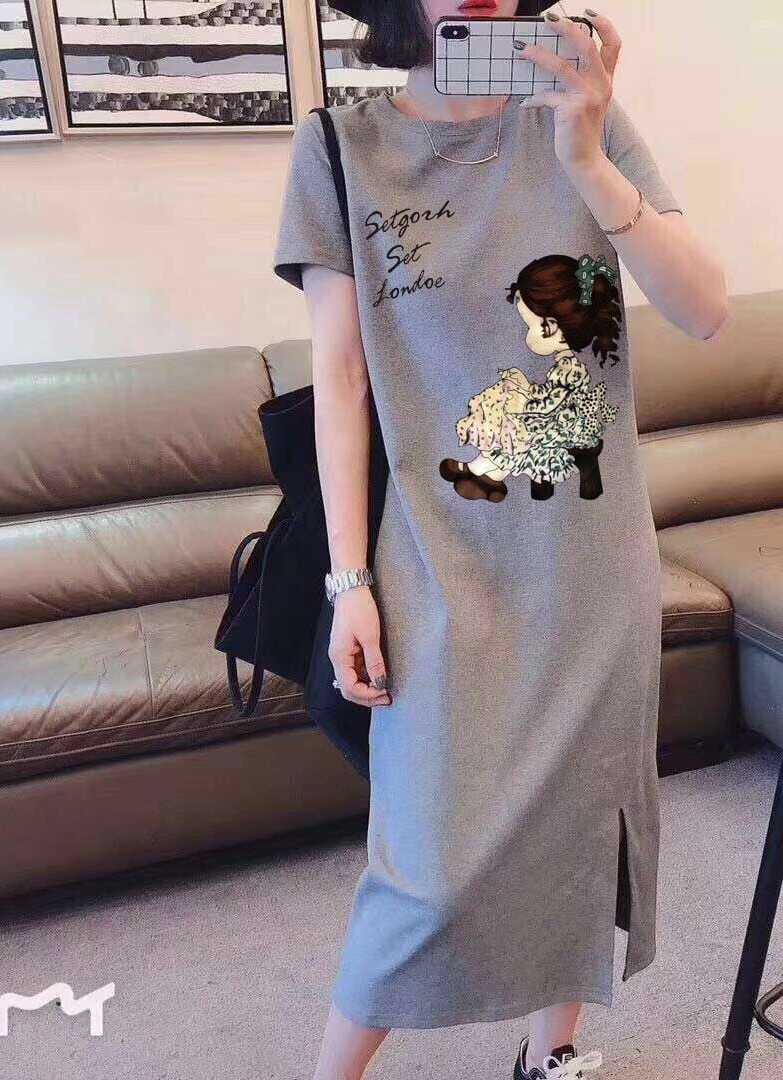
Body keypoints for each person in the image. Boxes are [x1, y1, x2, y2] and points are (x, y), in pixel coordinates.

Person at [271, 3, 728, 1077]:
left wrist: (588, 160)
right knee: (425, 867)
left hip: (592, 564)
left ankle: (550, 1055)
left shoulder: (580, 117)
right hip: (434, 563)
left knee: (580, 823)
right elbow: (341, 379)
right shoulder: (338, 149)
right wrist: (348, 582)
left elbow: (705, 308)